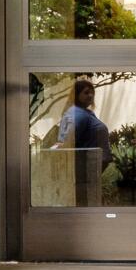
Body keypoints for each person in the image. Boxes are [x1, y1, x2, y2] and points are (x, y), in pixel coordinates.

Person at [54, 76, 112, 205]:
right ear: (77, 94)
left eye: (92, 92)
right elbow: (68, 140)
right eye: (86, 92)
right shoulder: (76, 113)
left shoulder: (85, 112)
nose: (90, 95)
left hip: (90, 168)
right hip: (84, 168)